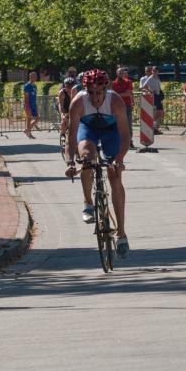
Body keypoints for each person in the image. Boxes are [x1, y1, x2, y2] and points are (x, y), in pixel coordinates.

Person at [64, 69, 131, 258]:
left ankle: (121, 234)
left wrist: (119, 159)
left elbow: (125, 136)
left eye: (99, 92)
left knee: (115, 175)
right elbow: (71, 138)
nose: (94, 97)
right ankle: (88, 202)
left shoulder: (115, 101)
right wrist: (70, 162)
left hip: (111, 132)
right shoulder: (78, 102)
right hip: (88, 129)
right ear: (85, 90)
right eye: (91, 92)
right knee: (87, 157)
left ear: (106, 88)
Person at [111, 67, 135, 148]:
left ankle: (129, 140)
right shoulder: (113, 83)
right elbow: (113, 95)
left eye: (122, 73)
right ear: (117, 73)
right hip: (117, 106)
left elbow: (128, 93)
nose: (121, 74)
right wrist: (122, 94)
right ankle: (119, 140)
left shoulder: (128, 82)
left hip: (127, 105)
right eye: (119, 73)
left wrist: (118, 94)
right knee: (117, 123)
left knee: (128, 123)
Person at [140, 66, 164, 134]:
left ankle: (152, 125)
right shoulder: (150, 78)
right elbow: (143, 87)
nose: (154, 72)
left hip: (158, 97)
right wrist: (150, 91)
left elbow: (159, 87)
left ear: (158, 72)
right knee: (156, 112)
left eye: (156, 71)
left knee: (161, 113)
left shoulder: (157, 78)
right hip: (154, 97)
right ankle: (151, 126)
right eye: (153, 71)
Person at [57, 77, 76, 144]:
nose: (70, 88)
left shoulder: (76, 91)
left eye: (71, 86)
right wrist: (62, 114)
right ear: (65, 86)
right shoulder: (62, 93)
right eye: (68, 86)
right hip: (64, 107)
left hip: (73, 107)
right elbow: (60, 105)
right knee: (64, 119)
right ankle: (62, 133)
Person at [23, 71, 39, 139]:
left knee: (37, 118)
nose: (35, 77)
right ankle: (29, 133)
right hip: (28, 105)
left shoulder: (35, 86)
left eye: (36, 76)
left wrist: (35, 105)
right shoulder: (27, 86)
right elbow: (26, 98)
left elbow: (34, 96)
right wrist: (27, 107)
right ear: (30, 77)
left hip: (34, 105)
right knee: (29, 119)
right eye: (33, 76)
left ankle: (27, 130)